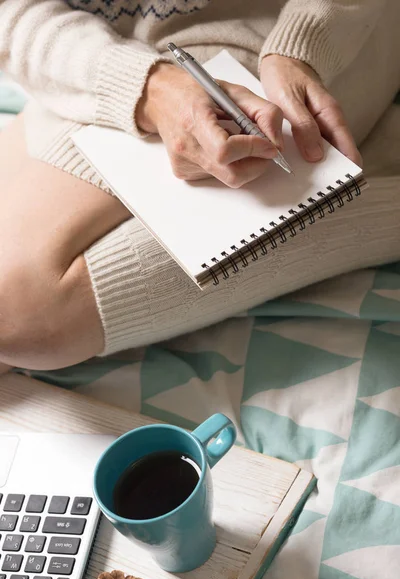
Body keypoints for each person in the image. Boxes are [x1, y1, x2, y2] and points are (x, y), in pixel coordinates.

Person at [0, 0, 399, 371]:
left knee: (19, 317)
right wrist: (145, 87)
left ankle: (358, 197)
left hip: (281, 46)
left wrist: (302, 46)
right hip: (86, 53)